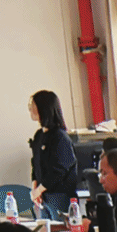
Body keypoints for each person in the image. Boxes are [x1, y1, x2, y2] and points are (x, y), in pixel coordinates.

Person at [27, 90, 79, 220]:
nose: (31, 109)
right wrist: (35, 188)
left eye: (34, 106)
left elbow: (59, 170)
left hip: (59, 195)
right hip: (43, 196)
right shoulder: (39, 135)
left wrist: (39, 190)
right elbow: (35, 164)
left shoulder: (60, 137)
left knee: (61, 228)